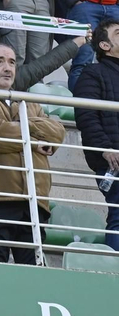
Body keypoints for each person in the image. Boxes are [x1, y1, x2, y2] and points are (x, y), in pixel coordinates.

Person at [0, 42, 64, 264]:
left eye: (12, 62)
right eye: (0, 61)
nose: (8, 67)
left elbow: (57, 132)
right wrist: (34, 142)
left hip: (34, 201)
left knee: (33, 274)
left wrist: (25, 127)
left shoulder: (28, 102)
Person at [72, 19, 119, 250]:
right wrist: (105, 148)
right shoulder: (93, 73)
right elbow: (86, 115)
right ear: (104, 45)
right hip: (114, 160)